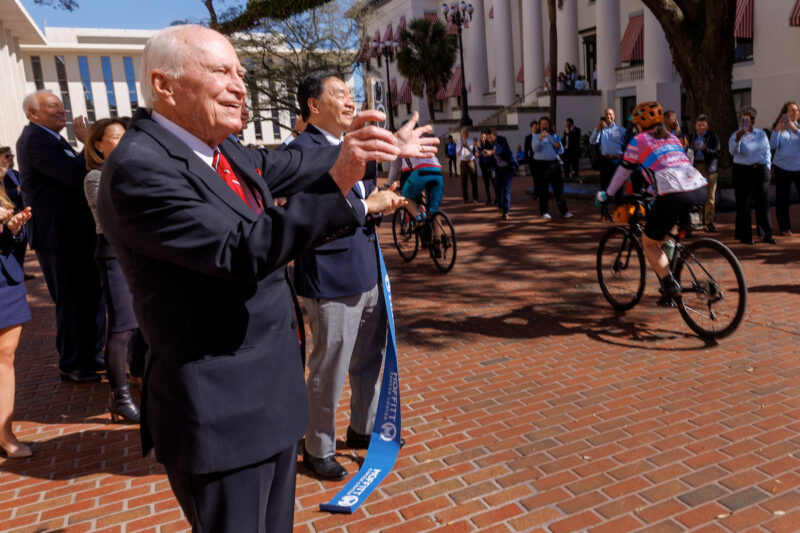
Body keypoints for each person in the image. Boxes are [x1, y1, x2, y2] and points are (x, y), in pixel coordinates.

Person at [96, 24, 437, 531]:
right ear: (164, 84)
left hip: (270, 399)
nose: (240, 85)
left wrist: (366, 149)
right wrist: (344, 181)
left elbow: (280, 164)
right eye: (221, 72)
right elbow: (241, 250)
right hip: (223, 414)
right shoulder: (140, 168)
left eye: (240, 72)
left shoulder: (217, 147)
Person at [289, 72, 404, 481]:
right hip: (330, 275)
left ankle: (363, 428)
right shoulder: (300, 152)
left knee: (368, 360)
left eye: (350, 93)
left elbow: (361, 198)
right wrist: (371, 206)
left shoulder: (348, 145)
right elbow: (309, 216)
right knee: (329, 368)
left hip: (366, 268)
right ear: (313, 105)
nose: (350, 100)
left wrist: (381, 199)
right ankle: (317, 447)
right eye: (338, 94)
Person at [16, 90, 106, 383]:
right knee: (71, 300)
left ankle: (91, 354)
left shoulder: (54, 140)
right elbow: (71, 174)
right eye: (53, 106)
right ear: (34, 114)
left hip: (77, 235)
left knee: (91, 297)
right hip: (58, 237)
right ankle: (72, 362)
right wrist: (89, 142)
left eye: (61, 105)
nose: (61, 110)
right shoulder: (34, 140)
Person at [595, 101, 707, 306]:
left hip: (673, 194)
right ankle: (670, 288)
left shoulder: (638, 141)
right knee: (668, 236)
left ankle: (670, 283)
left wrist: (607, 194)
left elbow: (623, 171)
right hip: (698, 188)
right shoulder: (672, 138)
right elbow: (670, 167)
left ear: (639, 124)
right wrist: (650, 191)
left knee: (648, 243)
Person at [83, 118, 146, 424]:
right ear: (98, 144)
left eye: (125, 136)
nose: (123, 142)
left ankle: (143, 374)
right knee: (122, 328)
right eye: (115, 137)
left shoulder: (132, 169)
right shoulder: (96, 177)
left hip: (139, 253)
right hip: (112, 253)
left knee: (143, 322)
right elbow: (113, 215)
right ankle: (119, 397)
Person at [0, 191, 33, 458]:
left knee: (5, 357)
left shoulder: (4, 184)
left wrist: (12, 228)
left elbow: (11, 244)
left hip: (6, 283)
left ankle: (5, 433)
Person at [729, 106, 774, 244]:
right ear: (741, 119)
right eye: (747, 118)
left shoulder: (761, 134)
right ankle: (745, 236)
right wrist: (739, 137)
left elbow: (767, 151)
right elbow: (732, 151)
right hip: (742, 171)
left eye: (752, 118)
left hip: (760, 170)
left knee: (763, 203)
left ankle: (766, 234)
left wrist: (767, 167)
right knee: (744, 205)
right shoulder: (736, 134)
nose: (750, 121)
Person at [532, 116, 572, 220]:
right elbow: (535, 149)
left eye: (546, 124)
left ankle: (564, 211)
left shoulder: (554, 136)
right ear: (540, 126)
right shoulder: (536, 136)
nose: (544, 126)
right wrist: (540, 139)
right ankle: (544, 211)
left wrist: (560, 146)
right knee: (543, 189)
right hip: (541, 165)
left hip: (554, 164)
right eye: (542, 124)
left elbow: (560, 151)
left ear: (549, 125)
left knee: (559, 188)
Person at [770, 101, 800, 236]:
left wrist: (795, 130)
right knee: (783, 199)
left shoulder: (798, 128)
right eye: (791, 110)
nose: (795, 113)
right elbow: (773, 146)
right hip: (782, 167)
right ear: (785, 113)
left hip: (798, 167)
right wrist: (777, 130)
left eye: (796, 110)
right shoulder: (779, 128)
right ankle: (784, 227)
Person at [686, 114, 721, 232]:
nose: (701, 127)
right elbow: (687, 152)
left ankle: (709, 221)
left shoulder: (712, 136)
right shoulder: (691, 137)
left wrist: (705, 150)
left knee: (710, 196)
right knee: (697, 196)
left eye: (703, 125)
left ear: (707, 126)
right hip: (696, 168)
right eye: (699, 125)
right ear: (695, 126)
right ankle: (697, 221)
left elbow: (717, 152)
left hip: (709, 168)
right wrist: (694, 150)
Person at [589, 107, 626, 195]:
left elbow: (627, 143)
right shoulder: (600, 130)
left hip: (617, 161)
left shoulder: (621, 130)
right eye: (607, 114)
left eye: (610, 114)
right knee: (604, 186)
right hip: (605, 161)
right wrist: (598, 129)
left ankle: (618, 206)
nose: (608, 116)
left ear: (614, 116)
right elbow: (592, 141)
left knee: (619, 186)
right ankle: (604, 207)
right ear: (604, 116)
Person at [484, 127, 516, 220]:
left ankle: (506, 212)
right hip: (498, 169)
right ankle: (501, 208)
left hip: (508, 167)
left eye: (491, 138)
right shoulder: (487, 143)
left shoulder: (502, 140)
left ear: (496, 136)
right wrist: (480, 153)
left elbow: (501, 149)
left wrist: (492, 151)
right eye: (488, 138)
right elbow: (484, 150)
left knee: (506, 189)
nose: (489, 140)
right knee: (497, 188)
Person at [457, 127, 479, 203]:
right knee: (463, 182)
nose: (464, 134)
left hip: (471, 162)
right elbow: (458, 153)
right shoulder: (459, 142)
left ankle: (475, 198)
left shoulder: (472, 141)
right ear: (461, 134)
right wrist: (460, 147)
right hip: (463, 163)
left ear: (468, 133)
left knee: (474, 181)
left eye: (466, 133)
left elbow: (475, 152)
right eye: (463, 133)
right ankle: (465, 198)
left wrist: (467, 147)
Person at [477, 132, 494, 206]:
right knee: (486, 184)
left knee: (494, 183)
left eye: (484, 137)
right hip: (483, 167)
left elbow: (485, 153)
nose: (483, 139)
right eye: (481, 138)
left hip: (490, 167)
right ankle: (489, 199)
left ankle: (498, 199)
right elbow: (478, 154)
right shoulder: (480, 146)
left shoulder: (489, 145)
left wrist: (480, 149)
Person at [524, 120, 540, 196]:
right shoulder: (528, 138)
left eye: (537, 127)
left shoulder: (541, 136)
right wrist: (528, 160)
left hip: (540, 160)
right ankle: (537, 193)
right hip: (532, 161)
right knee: (535, 177)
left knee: (541, 177)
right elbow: (526, 149)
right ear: (531, 128)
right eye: (534, 127)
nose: (535, 128)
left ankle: (541, 193)